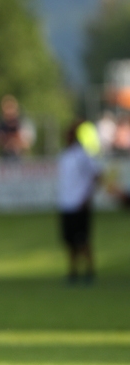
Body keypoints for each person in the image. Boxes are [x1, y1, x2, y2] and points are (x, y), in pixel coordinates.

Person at [57, 120, 103, 284]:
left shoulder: (82, 155)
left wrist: (87, 197)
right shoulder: (64, 156)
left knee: (82, 240)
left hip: (79, 203)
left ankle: (89, 270)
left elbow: (96, 176)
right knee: (70, 242)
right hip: (66, 203)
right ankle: (73, 271)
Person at [0, 94, 32, 158]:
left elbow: (27, 143)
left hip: (19, 157)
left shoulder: (23, 123)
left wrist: (15, 142)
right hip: (4, 157)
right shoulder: (0, 124)